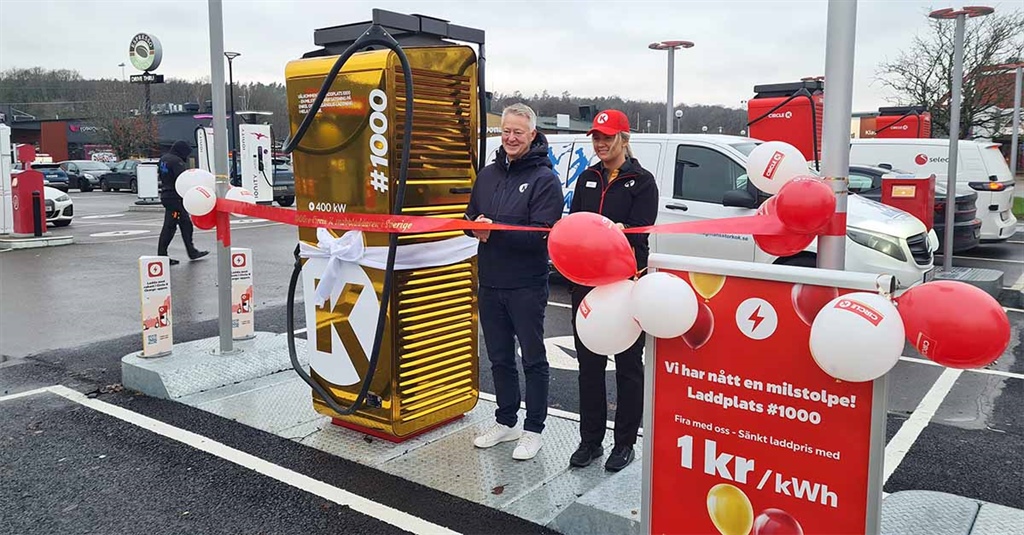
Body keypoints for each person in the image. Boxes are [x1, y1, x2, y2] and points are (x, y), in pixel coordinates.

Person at [466, 103, 564, 460]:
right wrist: (475, 226)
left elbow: (543, 234)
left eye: (518, 132)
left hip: (526, 284)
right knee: (499, 357)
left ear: (532, 135)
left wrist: (495, 233)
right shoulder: (488, 174)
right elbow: (469, 218)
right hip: (490, 281)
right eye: (506, 131)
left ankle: (533, 429)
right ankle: (506, 421)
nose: (510, 137)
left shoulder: (544, 179)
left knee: (533, 359)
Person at [568, 109, 658, 472]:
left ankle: (624, 443)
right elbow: (576, 224)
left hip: (624, 284)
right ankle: (590, 440)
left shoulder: (643, 181)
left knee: (628, 367)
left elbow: (642, 231)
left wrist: (621, 233)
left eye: (607, 137)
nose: (601, 143)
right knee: (588, 366)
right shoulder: (587, 178)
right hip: (586, 284)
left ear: (624, 138)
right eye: (596, 137)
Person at [157, 140, 208, 265]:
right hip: (176, 198)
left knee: (184, 224)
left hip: (166, 195)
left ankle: (191, 251)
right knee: (170, 227)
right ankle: (163, 255)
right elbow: (182, 180)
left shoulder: (164, 159)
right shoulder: (177, 162)